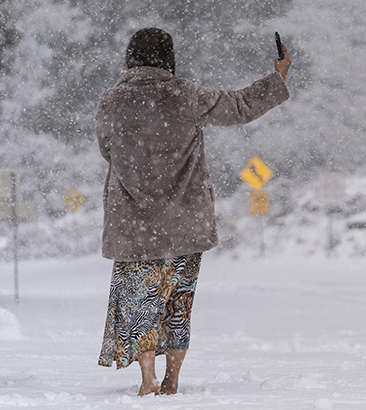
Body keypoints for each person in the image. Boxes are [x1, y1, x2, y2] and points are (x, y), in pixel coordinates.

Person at [96, 27, 291, 396]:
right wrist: (278, 76)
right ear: (168, 57)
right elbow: (240, 106)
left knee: (141, 299)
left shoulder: (111, 101)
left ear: (130, 57)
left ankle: (148, 376)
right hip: (184, 222)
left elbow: (107, 149)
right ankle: (172, 379)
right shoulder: (185, 95)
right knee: (178, 300)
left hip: (135, 226)